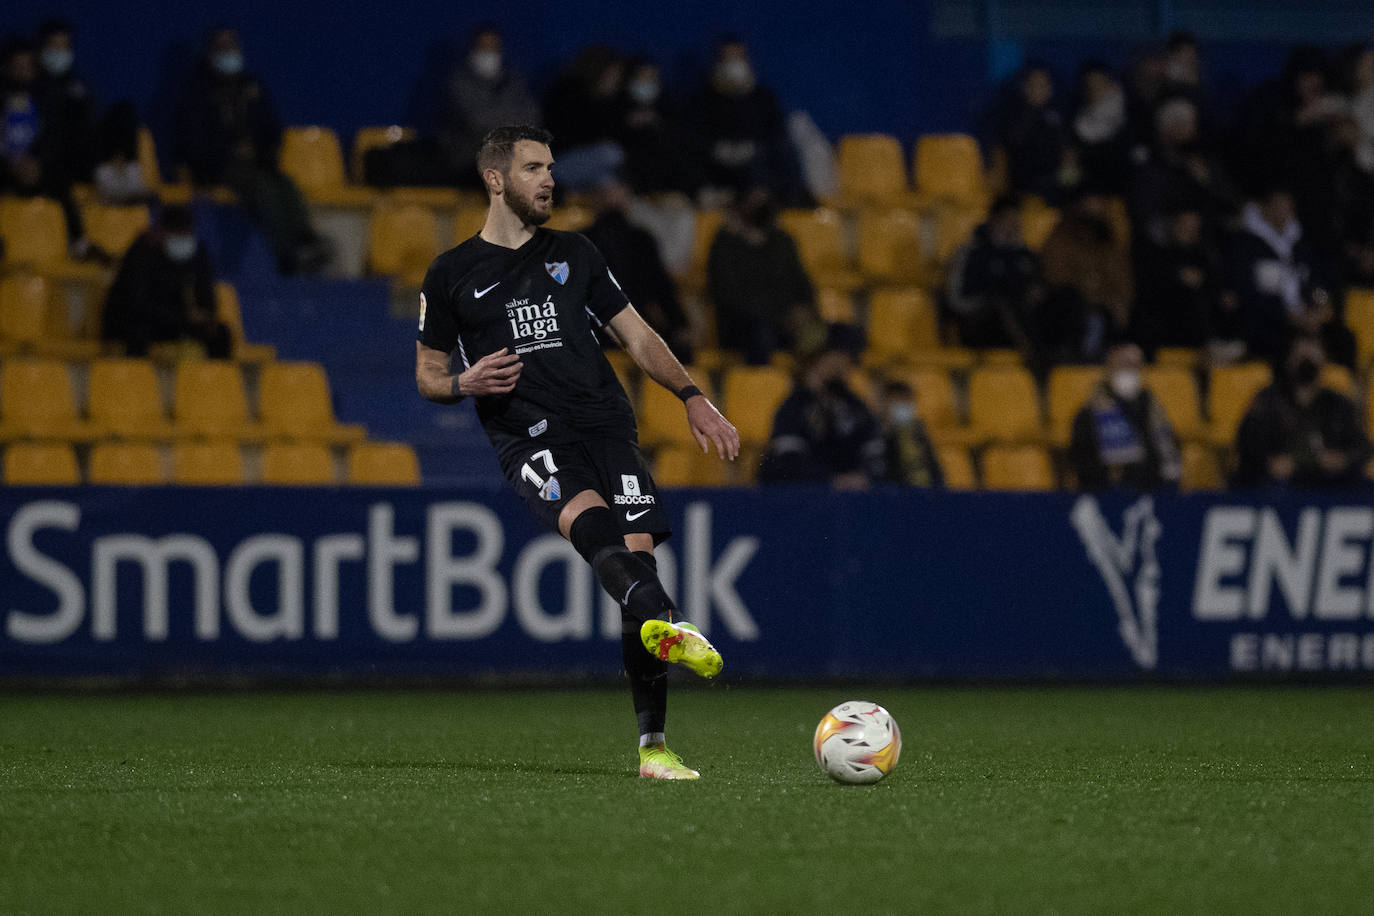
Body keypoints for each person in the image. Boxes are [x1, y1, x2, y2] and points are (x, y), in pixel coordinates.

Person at [415, 126, 738, 780]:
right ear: (496, 179)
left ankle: (654, 747)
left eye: (551, 168)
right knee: (599, 539)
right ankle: (668, 628)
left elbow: (639, 336)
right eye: (534, 168)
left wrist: (691, 395)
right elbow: (425, 372)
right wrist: (461, 382)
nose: (549, 180)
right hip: (531, 436)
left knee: (637, 585)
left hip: (606, 428)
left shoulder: (577, 253)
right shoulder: (452, 273)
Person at [174, 27, 330, 274]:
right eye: (223, 48)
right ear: (211, 53)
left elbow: (271, 126)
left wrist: (266, 151)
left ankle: (305, 240)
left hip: (258, 162)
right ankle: (287, 254)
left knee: (285, 184)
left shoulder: (251, 85)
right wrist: (222, 156)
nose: (230, 53)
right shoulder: (199, 92)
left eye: (233, 47)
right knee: (262, 189)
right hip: (222, 167)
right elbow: (194, 140)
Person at [580, 176, 694, 363]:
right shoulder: (639, 238)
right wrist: (679, 325)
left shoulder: (582, 240)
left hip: (601, 333)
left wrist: (678, 324)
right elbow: (662, 288)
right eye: (607, 193)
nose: (613, 197)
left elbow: (661, 287)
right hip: (624, 331)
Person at [1233, 334, 1370, 489]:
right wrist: (1269, 462)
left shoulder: (1339, 404)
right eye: (1300, 352)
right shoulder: (1267, 400)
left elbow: (1362, 446)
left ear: (1324, 360)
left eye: (1312, 351)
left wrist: (1342, 459)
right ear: (1289, 361)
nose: (1306, 358)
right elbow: (1246, 442)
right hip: (1276, 485)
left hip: (1329, 482)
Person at [756, 327, 885, 488]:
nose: (845, 364)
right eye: (838, 354)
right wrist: (830, 481)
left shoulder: (855, 406)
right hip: (806, 501)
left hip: (853, 500)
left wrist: (865, 478)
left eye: (847, 357)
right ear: (816, 358)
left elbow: (875, 456)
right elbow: (789, 464)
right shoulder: (794, 406)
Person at [706, 183, 818, 365]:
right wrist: (781, 315)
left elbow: (803, 285)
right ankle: (765, 389)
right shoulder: (725, 244)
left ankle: (813, 385)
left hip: (787, 324)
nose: (761, 204)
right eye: (754, 200)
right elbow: (727, 297)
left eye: (765, 198)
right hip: (743, 327)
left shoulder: (783, 241)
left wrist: (803, 311)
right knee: (760, 333)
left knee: (846, 333)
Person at [101, 205, 232, 359]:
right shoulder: (142, 251)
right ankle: (137, 379)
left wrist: (207, 317)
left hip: (175, 319)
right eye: (177, 235)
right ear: (162, 232)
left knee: (220, 333)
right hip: (138, 319)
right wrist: (182, 317)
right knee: (138, 331)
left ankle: (214, 381)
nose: (182, 241)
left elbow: (205, 290)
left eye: (185, 235)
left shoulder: (197, 251)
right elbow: (136, 302)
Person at [436, 24, 540, 189]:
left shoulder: (514, 81)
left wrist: (497, 116)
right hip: (471, 161)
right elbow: (478, 122)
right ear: (472, 49)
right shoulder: (458, 82)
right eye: (484, 48)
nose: (489, 54)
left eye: (493, 48)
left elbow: (531, 118)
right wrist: (511, 119)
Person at [1067, 341, 1181, 491]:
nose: (1130, 370)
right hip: (1104, 492)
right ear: (1110, 367)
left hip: (1150, 490)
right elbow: (1083, 461)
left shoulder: (1152, 408)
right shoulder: (1089, 412)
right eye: (1124, 364)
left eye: (1136, 365)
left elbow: (1166, 453)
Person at [943, 193, 1041, 353]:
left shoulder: (1026, 256)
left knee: (1065, 297)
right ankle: (1032, 353)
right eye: (1008, 220)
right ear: (994, 220)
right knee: (1000, 300)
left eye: (1016, 222)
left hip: (1021, 318)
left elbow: (1037, 290)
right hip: (979, 321)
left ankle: (1065, 356)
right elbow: (955, 298)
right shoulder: (972, 253)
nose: (1012, 226)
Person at [876, 379, 944, 488]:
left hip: (921, 497)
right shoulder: (872, 437)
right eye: (897, 401)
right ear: (883, 404)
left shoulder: (919, 436)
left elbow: (935, 473)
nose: (903, 406)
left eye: (907, 402)